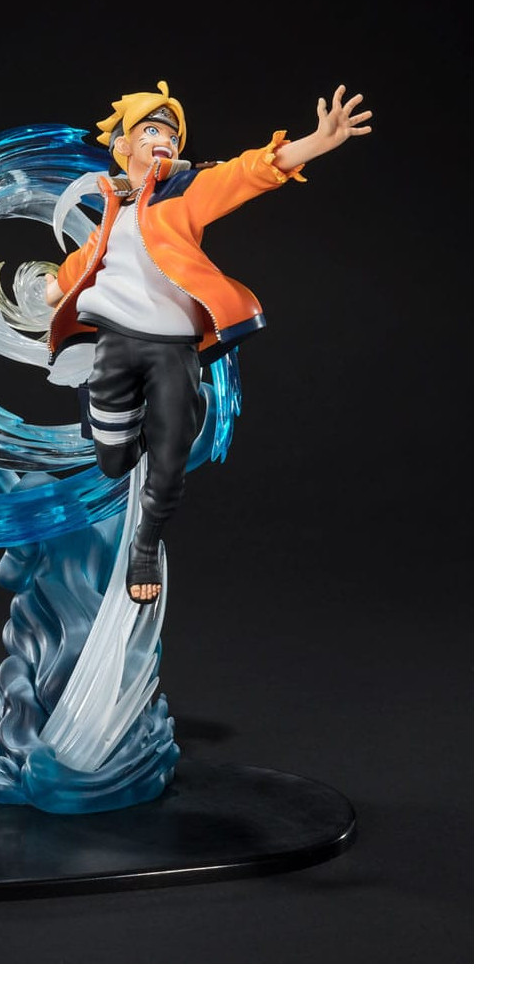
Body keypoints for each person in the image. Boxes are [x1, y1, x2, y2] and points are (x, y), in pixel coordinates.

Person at [45, 80, 371, 604]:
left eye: (172, 135)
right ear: (123, 145)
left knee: (171, 454)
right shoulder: (111, 209)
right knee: (113, 461)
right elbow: (83, 263)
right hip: (115, 344)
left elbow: (245, 173)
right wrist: (48, 287)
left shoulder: (185, 193)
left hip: (173, 347)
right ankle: (137, 419)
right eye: (152, 131)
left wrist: (316, 142)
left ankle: (145, 543)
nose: (166, 141)